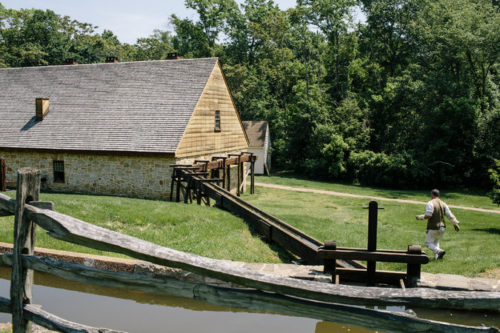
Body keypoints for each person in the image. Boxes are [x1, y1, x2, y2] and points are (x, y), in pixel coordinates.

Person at [416, 189, 460, 260]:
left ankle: (439, 251)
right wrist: (455, 223)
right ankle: (437, 258)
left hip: (434, 227)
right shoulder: (443, 203)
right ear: (438, 195)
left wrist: (420, 217)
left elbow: (428, 215)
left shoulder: (430, 203)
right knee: (436, 242)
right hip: (442, 227)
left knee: (428, 243)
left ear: (432, 195)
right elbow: (450, 216)